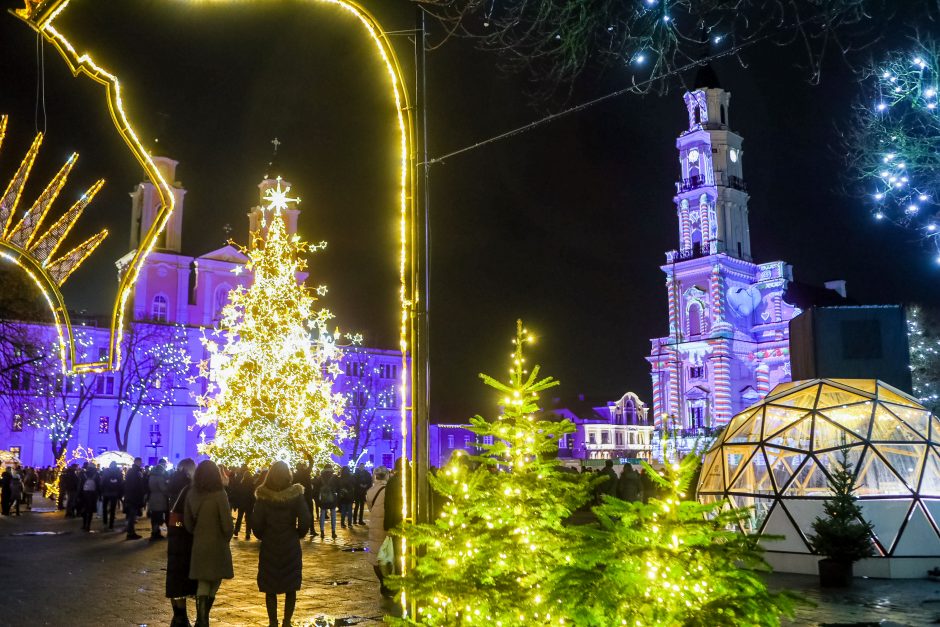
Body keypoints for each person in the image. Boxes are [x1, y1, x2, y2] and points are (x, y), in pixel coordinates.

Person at [252, 461, 311, 627]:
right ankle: (287, 621)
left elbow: (256, 523)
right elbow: (305, 519)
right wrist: (298, 534)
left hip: (270, 544)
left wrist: (263, 535)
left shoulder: (263, 497)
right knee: (290, 585)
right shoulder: (296, 495)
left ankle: (273, 622)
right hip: (290, 544)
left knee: (270, 585)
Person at [184, 459, 234, 627]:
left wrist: (198, 534)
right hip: (217, 544)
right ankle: (202, 619)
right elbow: (227, 525)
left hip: (199, 543)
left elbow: (187, 522)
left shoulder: (192, 494)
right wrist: (226, 537)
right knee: (215, 580)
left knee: (203, 581)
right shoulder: (220, 494)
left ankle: (202, 620)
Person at [166, 458, 198, 627]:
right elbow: (186, 516)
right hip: (185, 535)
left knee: (174, 577)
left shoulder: (173, 482)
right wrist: (187, 525)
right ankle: (182, 618)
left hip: (174, 534)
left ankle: (178, 616)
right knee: (183, 577)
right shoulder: (189, 487)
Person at [365, 466, 392, 597]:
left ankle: (382, 582)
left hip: (375, 525)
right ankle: (388, 582)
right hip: (386, 524)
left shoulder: (370, 491)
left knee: (375, 555)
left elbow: (370, 508)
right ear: (387, 476)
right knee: (387, 554)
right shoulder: (389, 490)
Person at [124, 457, 147, 540]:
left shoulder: (133, 471)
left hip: (132, 496)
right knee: (132, 515)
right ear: (137, 462)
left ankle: (130, 531)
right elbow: (136, 485)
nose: (141, 463)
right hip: (134, 497)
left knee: (131, 515)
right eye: (140, 462)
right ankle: (130, 533)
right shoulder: (135, 472)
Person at [149, 458, 171, 540]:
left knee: (154, 517)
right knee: (159, 517)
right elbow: (163, 488)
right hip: (160, 499)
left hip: (153, 498)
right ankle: (156, 534)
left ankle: (154, 532)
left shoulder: (151, 475)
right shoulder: (160, 476)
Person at [100, 461, 124, 530]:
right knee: (113, 510)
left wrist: (101, 491)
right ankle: (111, 524)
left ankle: (105, 523)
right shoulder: (119, 473)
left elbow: (102, 482)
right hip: (114, 493)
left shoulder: (106, 472)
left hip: (106, 493)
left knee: (104, 508)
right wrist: (120, 493)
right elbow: (121, 484)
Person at [77, 463, 100, 531]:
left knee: (84, 509)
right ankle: (88, 525)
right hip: (93, 494)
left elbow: (80, 485)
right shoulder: (96, 474)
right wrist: (99, 494)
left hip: (84, 493)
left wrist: (78, 495)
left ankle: (84, 524)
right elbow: (98, 485)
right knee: (90, 510)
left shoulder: (83, 474)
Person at [317, 465, 338, 539]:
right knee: (333, 515)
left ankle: (322, 531)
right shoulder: (334, 477)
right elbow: (337, 487)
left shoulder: (320, 477)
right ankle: (333, 531)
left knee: (322, 514)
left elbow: (317, 488)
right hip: (332, 497)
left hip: (323, 498)